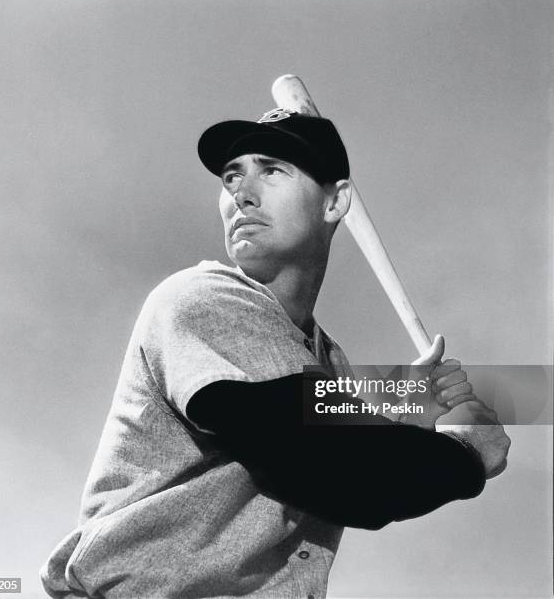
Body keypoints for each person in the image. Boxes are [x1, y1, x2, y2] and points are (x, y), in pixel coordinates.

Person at [40, 107, 510, 598]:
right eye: (232, 177)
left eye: (272, 169)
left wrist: (406, 409)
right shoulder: (200, 298)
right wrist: (468, 453)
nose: (241, 193)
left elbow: (339, 438)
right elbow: (321, 461)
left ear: (336, 201)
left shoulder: (329, 361)